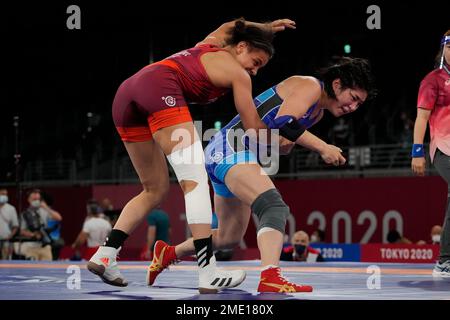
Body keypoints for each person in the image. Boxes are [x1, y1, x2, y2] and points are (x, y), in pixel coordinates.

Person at [87, 17, 296, 293]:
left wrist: (266, 28)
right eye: (256, 62)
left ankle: (106, 253)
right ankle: (207, 271)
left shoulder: (211, 43)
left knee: (155, 189)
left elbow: (233, 23)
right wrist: (285, 137)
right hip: (159, 87)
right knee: (195, 181)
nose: (255, 72)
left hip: (127, 94)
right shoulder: (238, 75)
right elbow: (253, 126)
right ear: (242, 46)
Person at [147, 56, 376, 292]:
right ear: (337, 85)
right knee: (274, 207)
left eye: (359, 104)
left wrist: (282, 143)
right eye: (354, 98)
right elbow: (286, 121)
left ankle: (168, 253)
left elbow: (283, 135)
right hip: (230, 147)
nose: (353, 107)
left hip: (231, 153)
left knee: (228, 238)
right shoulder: (310, 86)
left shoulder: (317, 113)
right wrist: (322, 147)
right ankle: (270, 276)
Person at [411, 30, 450, 277]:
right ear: (444, 50)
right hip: (444, 148)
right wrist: (417, 151)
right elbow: (422, 118)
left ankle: (444, 261)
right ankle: (444, 261)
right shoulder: (433, 80)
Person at [17, 189, 63, 261]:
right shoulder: (25, 214)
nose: (36, 201)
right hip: (31, 247)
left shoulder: (44, 211)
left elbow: (58, 218)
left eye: (38, 199)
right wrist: (32, 234)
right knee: (32, 270)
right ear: (29, 200)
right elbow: (21, 231)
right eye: (34, 199)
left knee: (48, 269)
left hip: (45, 247)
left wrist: (46, 207)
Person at [0, 188, 19, 259]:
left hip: (6, 240)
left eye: (6, 194)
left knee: (5, 260)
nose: (4, 196)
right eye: (2, 194)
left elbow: (15, 226)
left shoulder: (11, 208)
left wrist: (10, 236)